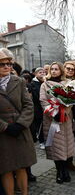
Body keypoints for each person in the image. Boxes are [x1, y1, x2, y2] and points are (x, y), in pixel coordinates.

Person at [0, 48, 37, 195]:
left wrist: (21, 124)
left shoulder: (19, 81)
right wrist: (5, 127)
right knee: (6, 168)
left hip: (20, 131)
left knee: (22, 166)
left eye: (9, 64)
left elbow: (29, 105)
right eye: (2, 64)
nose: (7, 67)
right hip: (2, 134)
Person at [40, 62, 75, 184]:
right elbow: (43, 101)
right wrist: (53, 113)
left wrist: (64, 111)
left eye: (56, 69)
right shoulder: (45, 85)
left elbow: (71, 100)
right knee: (56, 147)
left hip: (65, 119)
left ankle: (65, 169)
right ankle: (59, 171)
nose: (54, 71)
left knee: (66, 145)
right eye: (52, 69)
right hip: (51, 120)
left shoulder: (67, 83)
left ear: (61, 71)